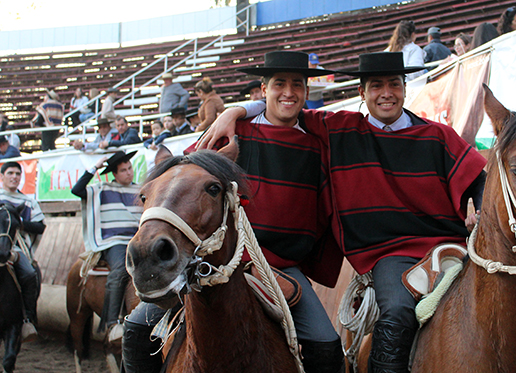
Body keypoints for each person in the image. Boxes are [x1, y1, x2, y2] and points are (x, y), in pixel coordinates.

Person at [200, 51, 487, 373]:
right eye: (376, 86)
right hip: (392, 255)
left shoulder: (439, 135)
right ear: (362, 94)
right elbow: (283, 110)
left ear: (405, 88)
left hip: (453, 245)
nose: (386, 93)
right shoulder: (340, 128)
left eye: (394, 84)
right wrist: (232, 112)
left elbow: (479, 180)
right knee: (396, 310)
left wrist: (483, 213)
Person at [122, 51, 345, 373]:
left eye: (297, 85)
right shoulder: (233, 131)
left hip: (281, 266)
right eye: (278, 84)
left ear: (306, 93)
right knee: (136, 329)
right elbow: (187, 179)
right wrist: (236, 113)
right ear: (263, 90)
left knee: (326, 344)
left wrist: (238, 109)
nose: (288, 92)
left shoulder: (317, 138)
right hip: (218, 258)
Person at [71, 150, 141, 343]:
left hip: (138, 240)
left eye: (130, 168)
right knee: (120, 269)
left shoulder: (141, 190)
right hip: (114, 241)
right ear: (114, 174)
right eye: (123, 170)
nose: (129, 173)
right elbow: (76, 190)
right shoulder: (101, 189)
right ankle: (112, 323)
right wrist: (94, 168)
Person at [0, 161, 46, 342]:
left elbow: (40, 227)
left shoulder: (28, 201)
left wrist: (18, 223)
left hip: (16, 247)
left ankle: (28, 319)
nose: (14, 177)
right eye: (10, 173)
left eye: (18, 174)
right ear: (2, 176)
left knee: (29, 273)